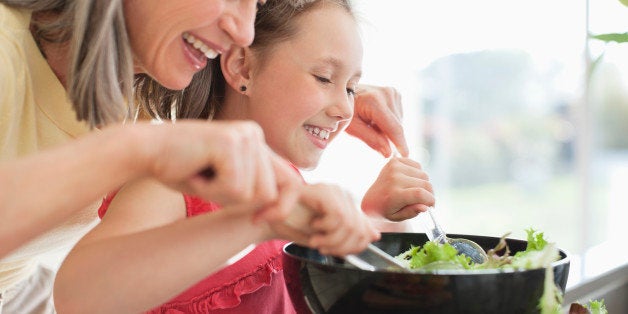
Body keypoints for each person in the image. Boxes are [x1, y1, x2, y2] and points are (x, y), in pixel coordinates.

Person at [0, 0, 395, 312]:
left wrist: (337, 95)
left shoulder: (133, 81)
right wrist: (141, 150)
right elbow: (79, 296)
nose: (242, 30)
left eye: (254, 5)